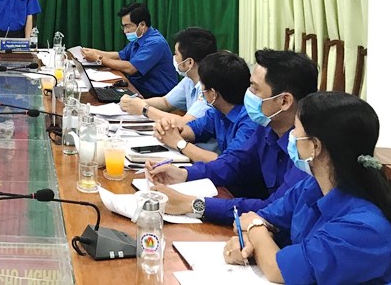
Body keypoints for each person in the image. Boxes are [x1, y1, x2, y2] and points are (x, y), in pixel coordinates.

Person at [224, 92, 391, 284]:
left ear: (314, 146)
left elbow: (277, 270)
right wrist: (248, 242)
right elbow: (257, 219)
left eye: (296, 130)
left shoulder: (364, 228)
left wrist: (255, 229)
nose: (291, 136)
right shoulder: (311, 187)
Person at [146, 49, 317, 224]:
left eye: (255, 89)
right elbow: (232, 163)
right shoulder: (266, 128)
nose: (248, 93)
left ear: (284, 101)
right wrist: (183, 174)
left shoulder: (309, 150)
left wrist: (191, 204)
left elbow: (272, 209)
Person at [153, 51, 257, 163]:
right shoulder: (218, 112)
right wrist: (168, 131)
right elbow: (193, 129)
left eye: (202, 85)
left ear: (213, 94)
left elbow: (227, 163)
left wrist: (180, 143)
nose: (201, 89)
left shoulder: (250, 122)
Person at [119, 27, 217, 122]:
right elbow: (165, 102)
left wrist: (144, 109)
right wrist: (135, 103)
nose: (174, 57)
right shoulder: (189, 79)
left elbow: (186, 123)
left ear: (189, 62)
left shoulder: (208, 89)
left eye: (176, 54)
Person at [82, 3, 176, 98]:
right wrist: (93, 52)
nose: (125, 31)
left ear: (142, 25)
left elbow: (131, 68)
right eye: (124, 26)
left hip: (156, 96)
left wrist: (98, 58)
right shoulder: (140, 37)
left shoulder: (155, 43)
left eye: (127, 26)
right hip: (137, 89)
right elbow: (120, 56)